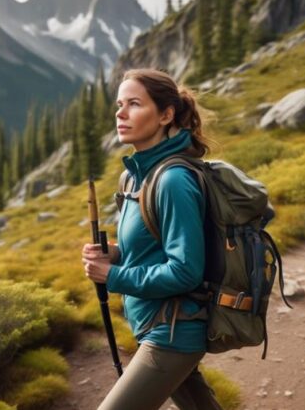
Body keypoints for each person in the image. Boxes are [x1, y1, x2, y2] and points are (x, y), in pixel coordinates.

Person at [82, 68, 223, 410]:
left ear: (165, 114)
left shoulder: (173, 180)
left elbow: (185, 270)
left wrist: (112, 276)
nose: (120, 113)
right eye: (119, 104)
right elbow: (153, 247)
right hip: (154, 323)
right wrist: (115, 254)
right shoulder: (132, 179)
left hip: (173, 333)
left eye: (134, 103)